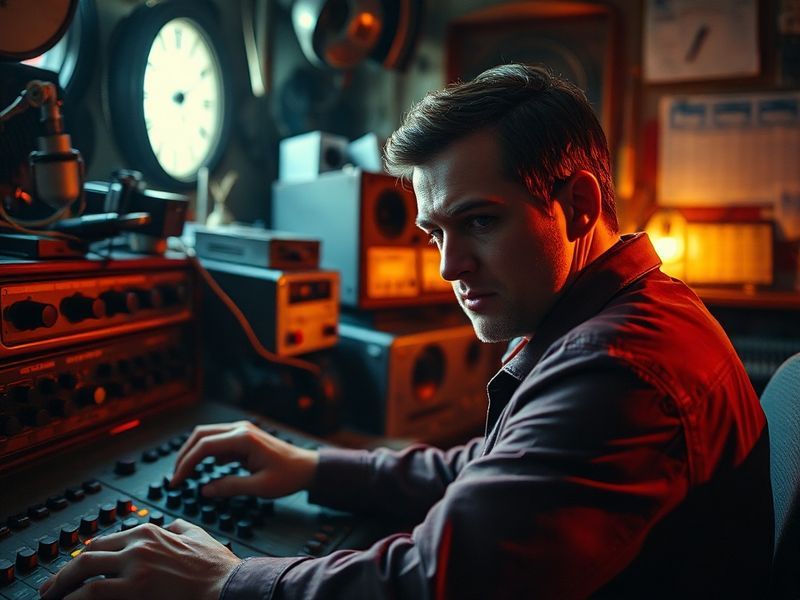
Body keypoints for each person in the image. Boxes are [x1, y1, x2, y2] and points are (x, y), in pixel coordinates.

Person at [39, 63, 773, 600]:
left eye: (480, 221)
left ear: (577, 204)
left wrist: (228, 582)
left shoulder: (621, 370)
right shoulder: (617, 311)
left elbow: (434, 587)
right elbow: (494, 472)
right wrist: (314, 466)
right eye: (434, 232)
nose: (450, 266)